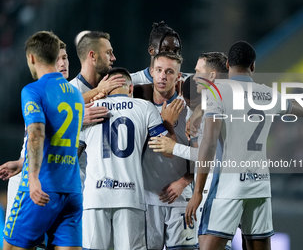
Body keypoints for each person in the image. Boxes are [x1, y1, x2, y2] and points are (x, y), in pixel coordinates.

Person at [185, 41, 303, 250]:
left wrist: (197, 193)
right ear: (254, 66)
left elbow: (210, 141)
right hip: (259, 186)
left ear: (228, 64)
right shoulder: (268, 94)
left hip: (229, 186)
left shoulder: (218, 92)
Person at [78, 66, 176, 250]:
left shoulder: (89, 110)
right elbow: (168, 150)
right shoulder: (144, 107)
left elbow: (73, 155)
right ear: (131, 89)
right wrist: (168, 124)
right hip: (130, 196)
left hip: (95, 197)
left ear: (105, 88)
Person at [3, 31, 84, 249]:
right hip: (72, 189)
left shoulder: (33, 90)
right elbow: (59, 140)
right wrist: (21, 163)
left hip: (42, 187)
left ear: (31, 58)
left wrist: (33, 178)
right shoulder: (75, 94)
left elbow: (37, 133)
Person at [148, 52, 232, 250]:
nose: (193, 76)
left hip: (218, 193)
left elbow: (211, 158)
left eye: (197, 71)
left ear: (211, 76)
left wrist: (174, 147)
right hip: (219, 191)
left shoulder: (219, 111)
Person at [0, 40, 72, 224]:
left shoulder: (72, 94)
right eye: (57, 59)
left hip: (58, 183)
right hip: (32, 180)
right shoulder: (38, 94)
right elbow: (37, 138)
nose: (63, 64)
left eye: (65, 57)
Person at [141, 52, 195, 249]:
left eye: (169, 72)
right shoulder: (139, 108)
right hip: (147, 200)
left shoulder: (190, 110)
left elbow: (201, 155)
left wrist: (183, 182)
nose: (163, 76)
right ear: (152, 72)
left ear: (178, 77)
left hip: (181, 199)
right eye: (159, 70)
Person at [69, 30, 126, 189]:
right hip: (76, 187)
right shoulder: (67, 91)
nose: (113, 58)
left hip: (107, 187)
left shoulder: (114, 91)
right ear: (92, 56)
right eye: (108, 53)